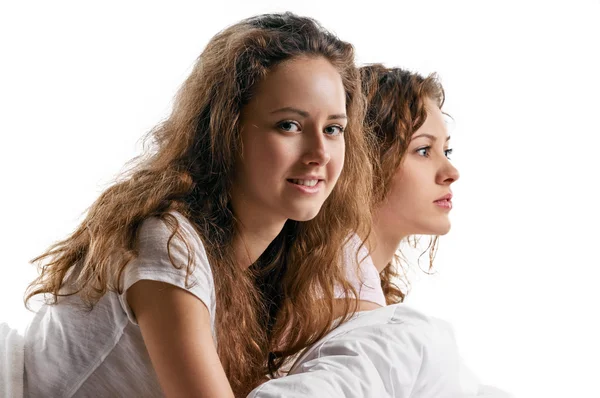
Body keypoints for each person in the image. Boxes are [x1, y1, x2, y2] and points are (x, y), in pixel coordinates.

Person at [21, 13, 374, 397]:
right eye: (289, 125)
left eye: (333, 129)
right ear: (225, 129)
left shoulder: (283, 258)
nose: (319, 153)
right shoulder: (167, 243)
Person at [247, 66, 512, 397]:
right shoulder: (345, 310)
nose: (450, 172)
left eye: (447, 150)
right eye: (423, 150)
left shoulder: (340, 291)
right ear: (362, 162)